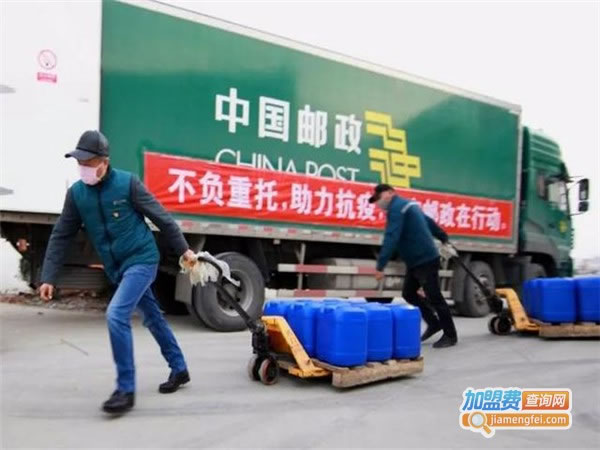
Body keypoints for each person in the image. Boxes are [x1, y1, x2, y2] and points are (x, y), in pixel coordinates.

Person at [39, 130, 196, 414]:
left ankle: (125, 390)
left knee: (116, 314)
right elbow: (61, 234)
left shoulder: (127, 184)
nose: (84, 168)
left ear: (104, 161)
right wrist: (48, 276)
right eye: (80, 162)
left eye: (89, 162)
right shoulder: (77, 194)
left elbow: (162, 218)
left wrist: (184, 250)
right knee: (152, 317)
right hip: (117, 268)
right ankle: (179, 367)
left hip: (142, 259)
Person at [369, 184, 458, 348]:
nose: (378, 202)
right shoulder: (408, 205)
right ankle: (434, 323)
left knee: (435, 297)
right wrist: (443, 237)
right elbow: (428, 222)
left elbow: (391, 236)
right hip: (416, 261)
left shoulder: (397, 208)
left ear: (390, 193)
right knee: (409, 293)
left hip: (425, 259)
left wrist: (380, 266)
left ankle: (450, 335)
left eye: (379, 197)